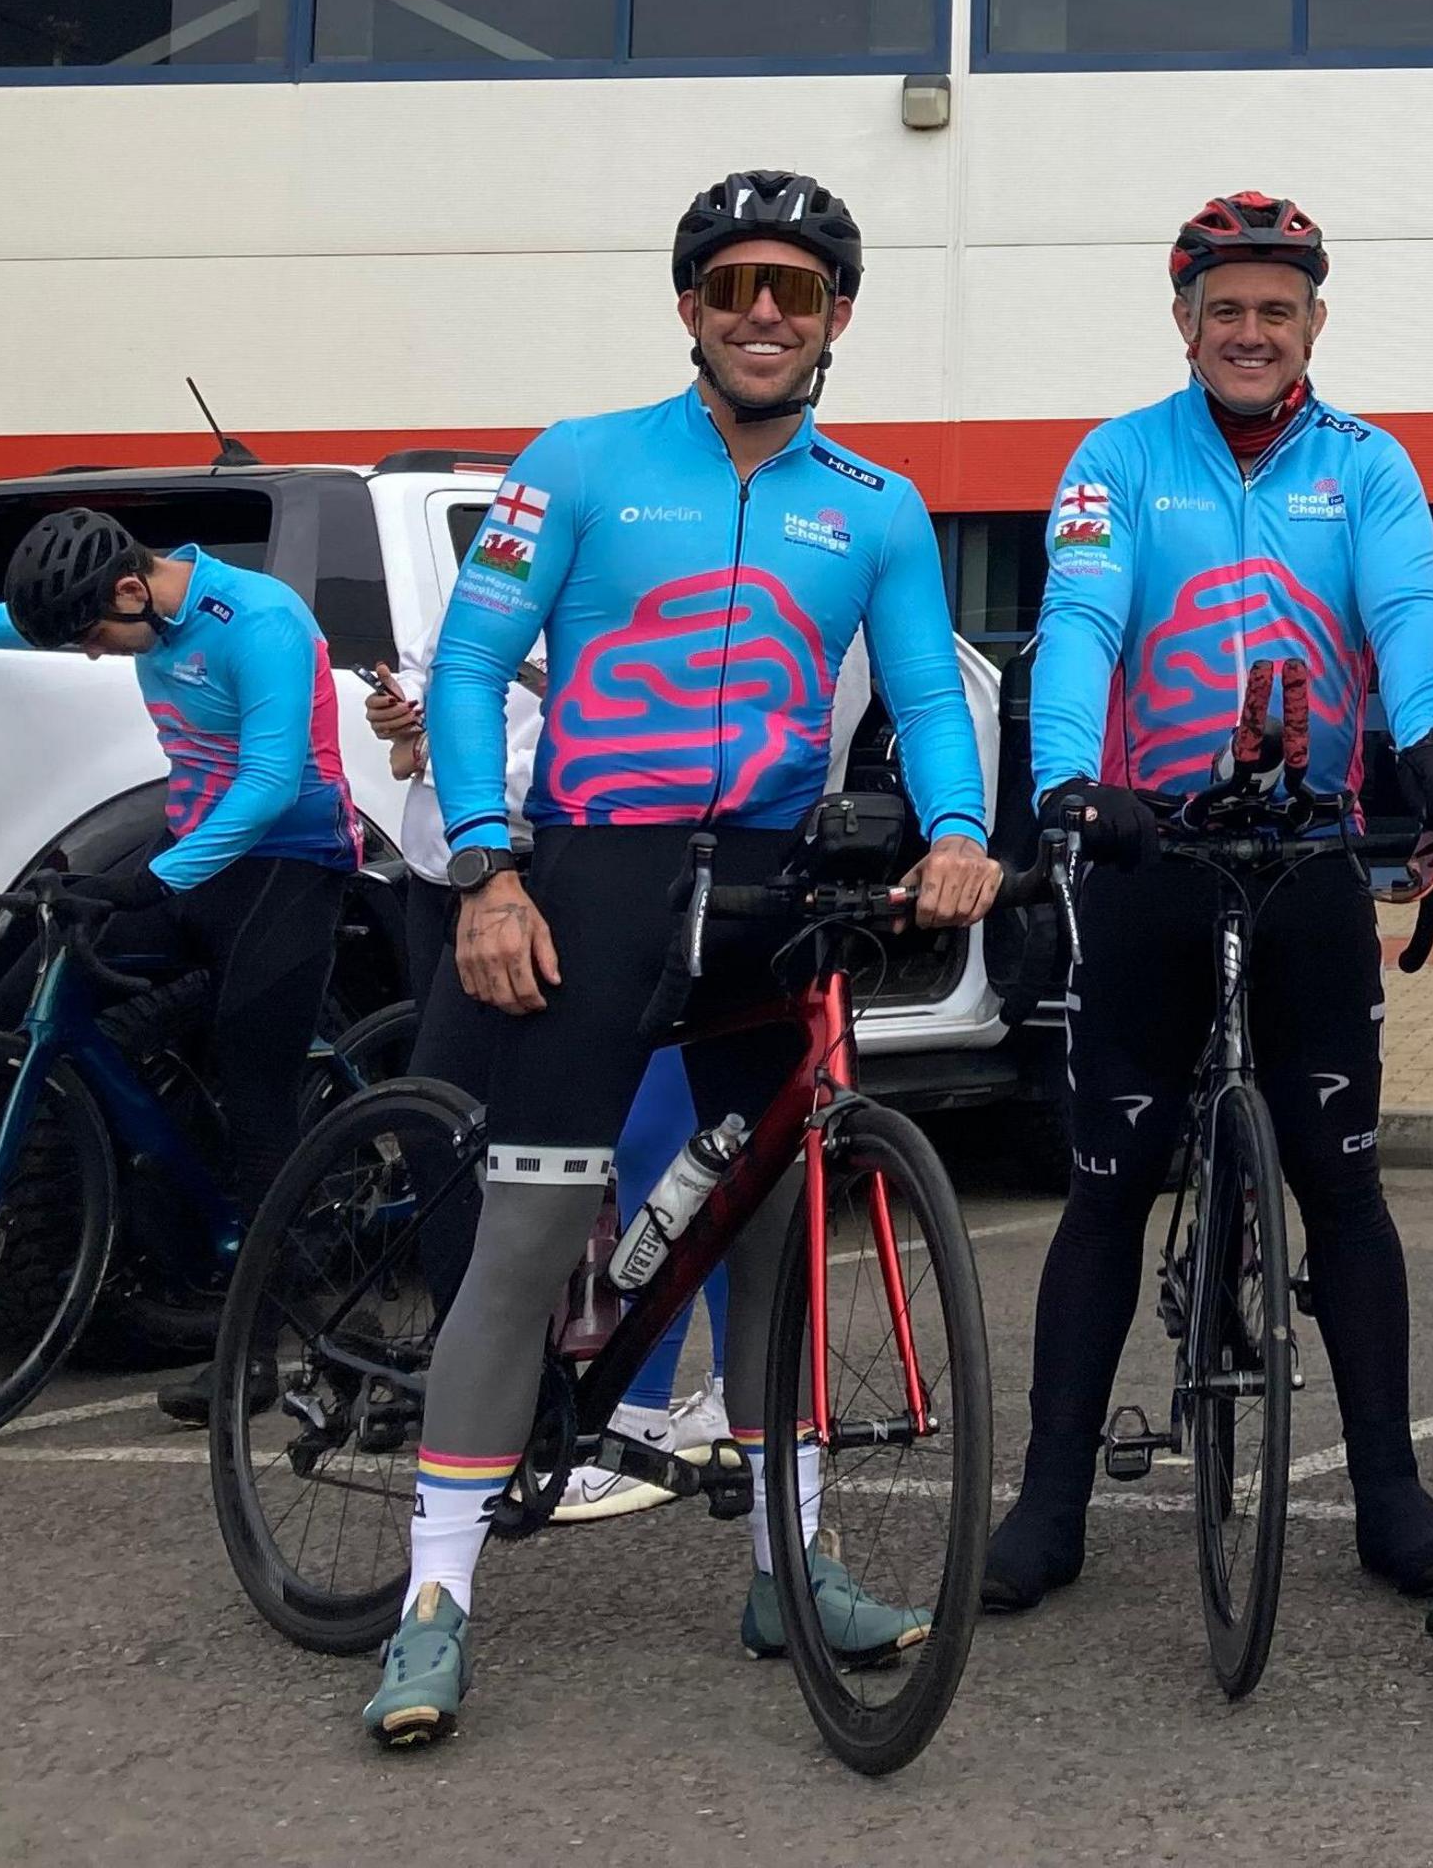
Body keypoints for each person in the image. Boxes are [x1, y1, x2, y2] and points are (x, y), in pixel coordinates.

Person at [363, 170, 1004, 1749]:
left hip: (768, 885)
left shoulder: (876, 504)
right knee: (528, 1236)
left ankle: (791, 1564)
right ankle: (434, 1595)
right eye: (734, 287)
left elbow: (925, 694)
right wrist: (489, 865)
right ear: (692, 308)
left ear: (839, 313)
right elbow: (469, 664)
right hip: (588, 876)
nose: (765, 314)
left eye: (795, 288)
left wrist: (960, 825)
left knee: (776, 1238)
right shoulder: (581, 464)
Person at [981, 191, 1433, 1613]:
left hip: (1309, 849)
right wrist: (1075, 780)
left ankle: (1390, 1490)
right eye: (1226, 308)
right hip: (1155, 852)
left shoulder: (1369, 466)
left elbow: (1403, 616)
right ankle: (1050, 1497)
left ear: (1315, 321)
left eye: (1277, 308)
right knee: (1108, 1185)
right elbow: (1079, 617)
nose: (1250, 331)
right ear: (1185, 318)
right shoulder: (1119, 459)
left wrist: (1428, 737)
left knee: (1343, 1176)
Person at [0, 509, 362, 1428]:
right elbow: (19, 623)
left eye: (92, 637)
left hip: (289, 861)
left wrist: (154, 881)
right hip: (198, 849)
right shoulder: (123, 608)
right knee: (27, 990)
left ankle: (258, 1356)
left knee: (257, 1086)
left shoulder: (261, 622)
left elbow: (272, 782)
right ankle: (145, 1182)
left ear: (130, 591)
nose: (88, 655)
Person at [367, 643, 727, 1520]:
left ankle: (640, 1407)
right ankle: (477, 1457)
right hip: (497, 862)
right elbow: (457, 670)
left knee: (664, 1140)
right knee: (469, 1142)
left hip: (622, 848)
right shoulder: (531, 523)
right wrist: (412, 733)